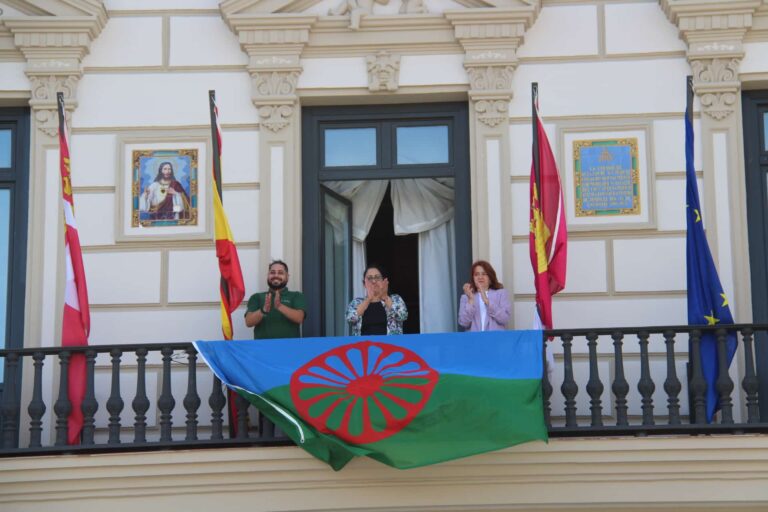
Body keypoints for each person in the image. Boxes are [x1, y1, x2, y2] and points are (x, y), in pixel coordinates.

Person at [245, 260, 306, 340]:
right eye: (272, 272)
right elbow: (249, 322)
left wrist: (280, 306)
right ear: (268, 275)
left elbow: (299, 318)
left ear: (287, 276)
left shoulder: (296, 296)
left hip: (290, 349)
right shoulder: (257, 297)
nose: (276, 275)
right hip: (263, 349)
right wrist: (263, 310)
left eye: (280, 273)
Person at [346, 264, 407, 336]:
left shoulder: (395, 299)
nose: (374, 281)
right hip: (363, 346)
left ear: (384, 281)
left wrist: (385, 297)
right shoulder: (356, 302)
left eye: (377, 277)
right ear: (364, 283)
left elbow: (402, 316)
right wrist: (368, 299)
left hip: (390, 345)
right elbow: (350, 319)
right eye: (369, 278)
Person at [458, 260, 511, 331]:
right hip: (474, 340)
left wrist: (487, 301)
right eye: (476, 274)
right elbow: (464, 323)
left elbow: (505, 319)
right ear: (473, 278)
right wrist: (470, 300)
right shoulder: (465, 297)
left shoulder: (501, 294)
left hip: (495, 339)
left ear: (490, 277)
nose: (480, 277)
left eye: (484, 274)